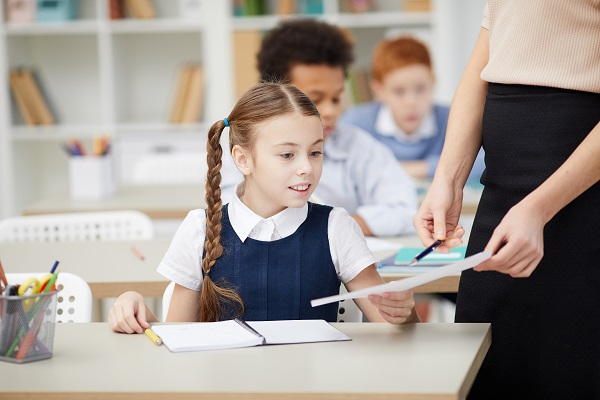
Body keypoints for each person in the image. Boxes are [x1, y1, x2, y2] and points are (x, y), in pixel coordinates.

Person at [109, 83, 419, 333]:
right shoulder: (198, 229)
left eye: (314, 152)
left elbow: (393, 327)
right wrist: (136, 308)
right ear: (243, 159)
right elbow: (176, 338)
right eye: (287, 155)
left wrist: (403, 312)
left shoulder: (336, 226)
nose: (306, 169)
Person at [414, 2, 600, 399]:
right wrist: (447, 178)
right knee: (487, 368)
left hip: (580, 197)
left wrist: (540, 207)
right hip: (502, 193)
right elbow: (484, 64)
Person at [255, 19, 418, 237]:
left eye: (336, 98)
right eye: (315, 99)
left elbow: (404, 209)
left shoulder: (358, 145)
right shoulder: (245, 149)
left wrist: (333, 227)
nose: (330, 111)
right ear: (275, 95)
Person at [341, 35, 485, 183]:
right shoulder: (357, 122)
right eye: (399, 91)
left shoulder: (452, 117)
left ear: (433, 82)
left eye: (420, 89)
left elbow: (483, 160)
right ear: (378, 91)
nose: (411, 102)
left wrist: (413, 169)